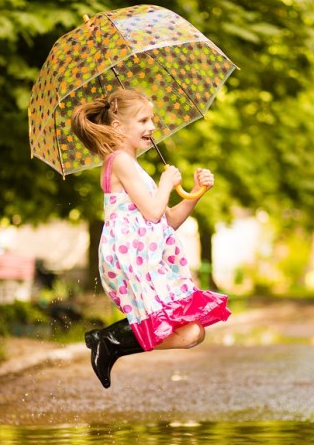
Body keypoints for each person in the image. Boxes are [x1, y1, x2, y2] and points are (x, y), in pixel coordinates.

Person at [71, 89, 231, 388]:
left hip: (146, 253)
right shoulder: (118, 160)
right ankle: (108, 341)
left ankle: (108, 340)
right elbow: (154, 211)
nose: (152, 126)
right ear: (119, 127)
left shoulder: (131, 164)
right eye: (143, 120)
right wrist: (166, 183)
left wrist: (196, 194)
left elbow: (168, 220)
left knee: (193, 333)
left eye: (152, 119)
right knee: (182, 329)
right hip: (131, 256)